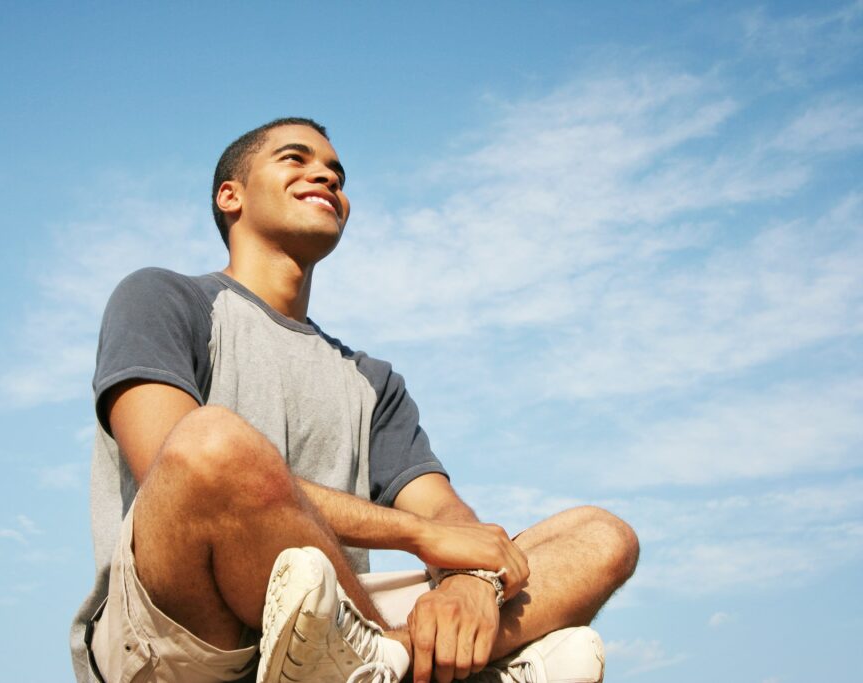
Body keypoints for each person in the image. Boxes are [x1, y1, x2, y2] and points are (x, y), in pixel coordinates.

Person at [69, 117, 639, 683]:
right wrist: (415, 536)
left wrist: (472, 584)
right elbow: (172, 461)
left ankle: (393, 659)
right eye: (296, 159)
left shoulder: (372, 380)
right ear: (230, 195)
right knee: (211, 442)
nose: (326, 176)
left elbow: (443, 514)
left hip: (337, 618)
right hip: (181, 630)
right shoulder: (164, 297)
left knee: (602, 534)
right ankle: (430, 665)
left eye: (337, 174)